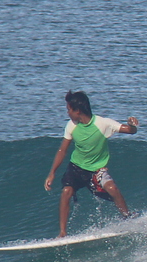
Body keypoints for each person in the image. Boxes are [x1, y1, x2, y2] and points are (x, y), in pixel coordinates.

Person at [44, 90, 139, 237]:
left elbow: (130, 131)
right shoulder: (71, 125)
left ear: (78, 111)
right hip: (75, 169)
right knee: (66, 192)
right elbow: (63, 150)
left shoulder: (103, 124)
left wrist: (131, 124)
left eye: (69, 110)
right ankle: (62, 232)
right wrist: (52, 173)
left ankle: (128, 217)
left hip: (97, 171)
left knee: (112, 188)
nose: (67, 113)